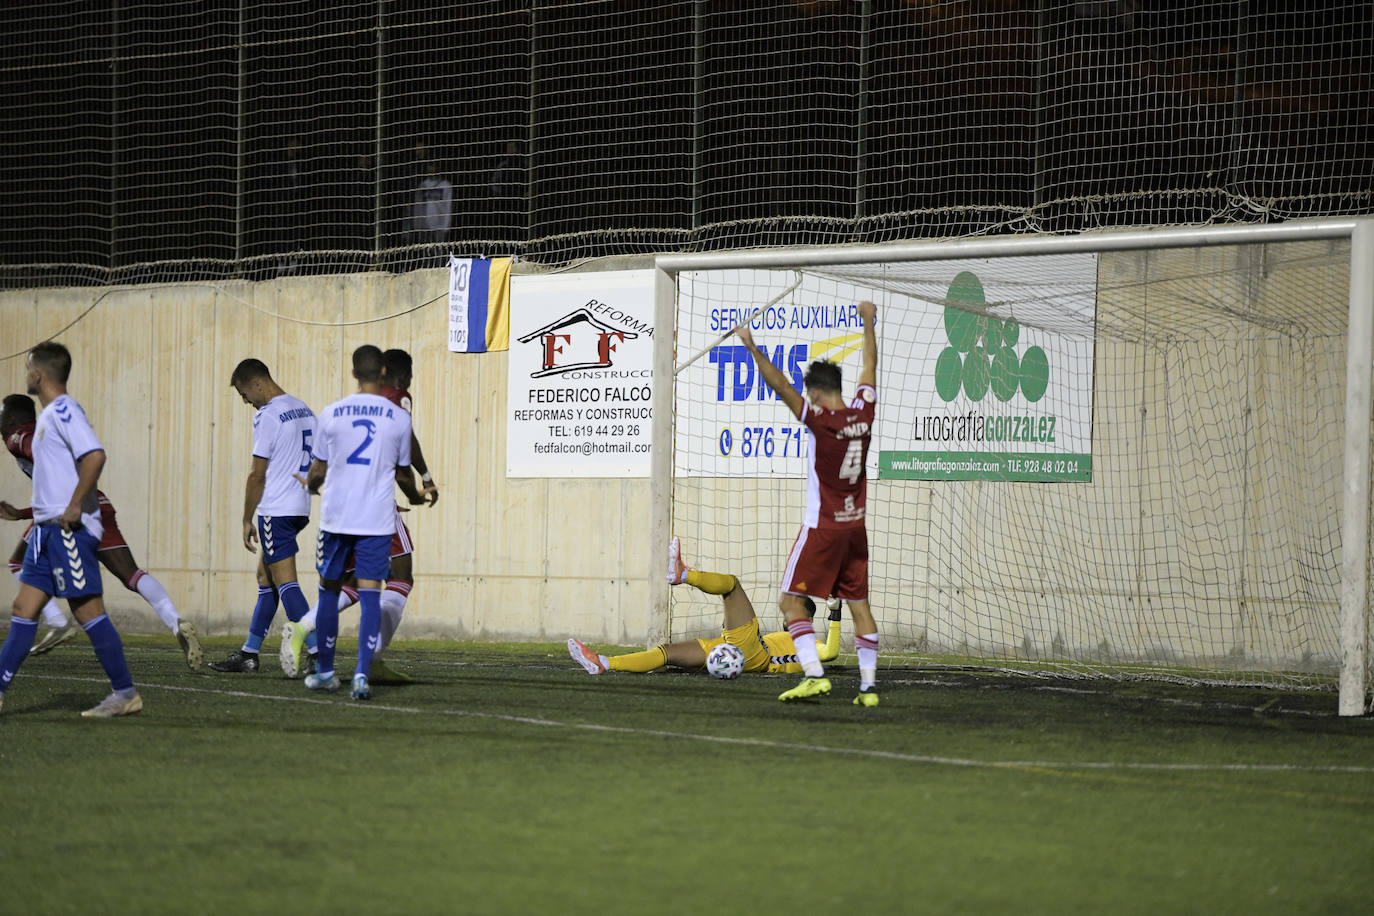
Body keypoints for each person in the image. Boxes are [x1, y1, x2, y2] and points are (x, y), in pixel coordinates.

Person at [737, 300, 881, 706]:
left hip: (823, 528)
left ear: (816, 392)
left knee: (788, 601)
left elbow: (781, 386)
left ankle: (814, 675)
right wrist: (868, 322)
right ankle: (868, 688)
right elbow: (869, 365)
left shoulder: (819, 419)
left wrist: (751, 345)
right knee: (859, 606)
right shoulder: (863, 413)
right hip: (856, 528)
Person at [1, 392, 204, 670]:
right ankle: (175, 622)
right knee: (131, 575)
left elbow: (44, 456)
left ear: (11, 419)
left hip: (69, 517)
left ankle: (59, 625)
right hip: (97, 505)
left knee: (26, 568)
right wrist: (23, 513)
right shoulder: (52, 430)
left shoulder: (19, 437)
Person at [0, 342, 142, 716]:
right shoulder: (47, 417)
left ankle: (125, 694)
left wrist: (77, 504)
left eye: (29, 368)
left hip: (67, 532)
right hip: (46, 533)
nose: (26, 374)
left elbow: (95, 455)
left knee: (87, 611)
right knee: (23, 607)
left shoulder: (64, 410)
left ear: (39, 375)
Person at [281, 347, 437, 683]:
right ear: (387, 373)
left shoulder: (334, 412)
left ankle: (318, 656)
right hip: (375, 511)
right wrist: (421, 486)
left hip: (337, 514)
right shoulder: (398, 405)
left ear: (354, 374)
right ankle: (369, 665)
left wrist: (310, 485)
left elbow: (319, 468)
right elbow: (402, 459)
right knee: (394, 578)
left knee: (335, 587)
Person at [568, 537, 841, 676]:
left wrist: (835, 612)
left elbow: (830, 652)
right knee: (667, 653)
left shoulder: (809, 644)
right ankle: (603, 663)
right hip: (729, 648)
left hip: (757, 656)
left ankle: (684, 575)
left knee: (732, 586)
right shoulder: (780, 633)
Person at [208, 359, 318, 674]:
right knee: (265, 579)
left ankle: (318, 653)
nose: (247, 402)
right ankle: (249, 653)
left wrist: (246, 518)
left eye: (245, 394)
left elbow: (257, 475)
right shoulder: (304, 409)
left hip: (276, 510)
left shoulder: (268, 416)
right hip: (299, 507)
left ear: (257, 383)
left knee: (287, 585)